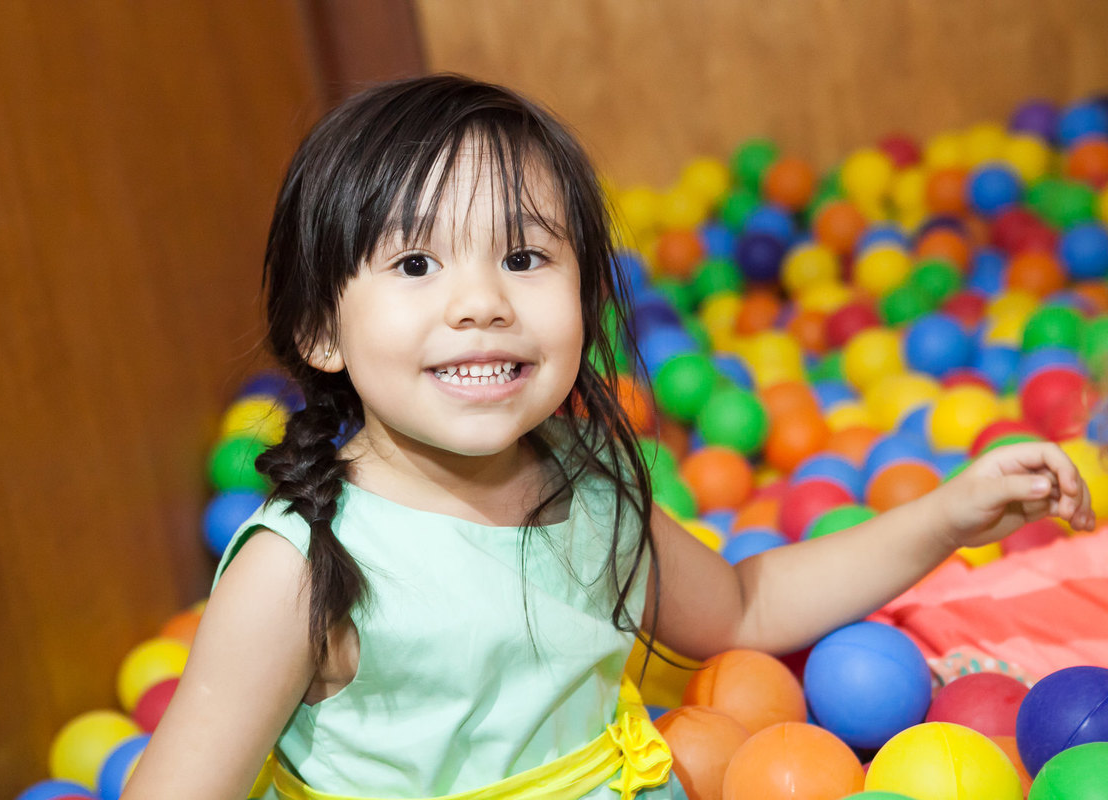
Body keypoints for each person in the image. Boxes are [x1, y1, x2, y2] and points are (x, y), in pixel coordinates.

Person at [121, 75, 1097, 800]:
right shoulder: (303, 565)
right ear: (319, 328)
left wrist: (948, 511)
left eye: (523, 254)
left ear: (584, 295)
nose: (480, 303)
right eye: (416, 260)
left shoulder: (586, 482)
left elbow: (750, 604)